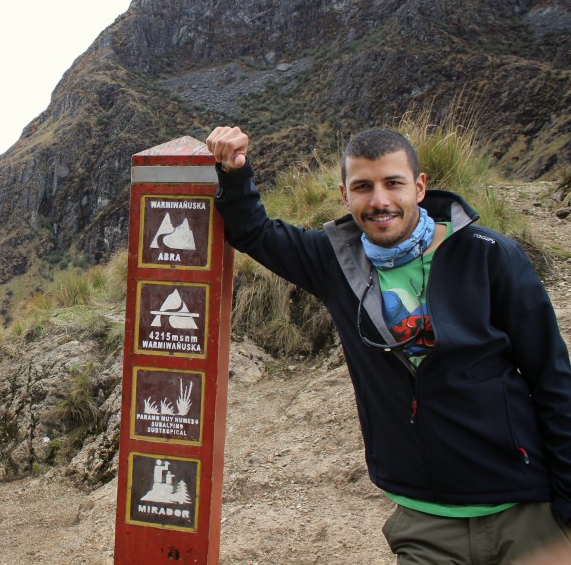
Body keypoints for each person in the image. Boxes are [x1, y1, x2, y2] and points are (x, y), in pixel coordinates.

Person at [206, 125, 571, 564]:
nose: (379, 201)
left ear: (418, 187)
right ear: (345, 195)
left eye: (393, 183)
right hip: (424, 521)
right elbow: (253, 232)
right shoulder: (334, 262)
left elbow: (553, 380)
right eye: (363, 187)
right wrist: (233, 171)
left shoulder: (488, 255)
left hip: (524, 510)